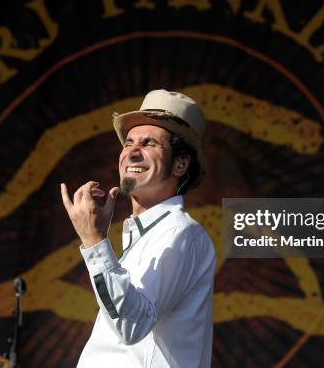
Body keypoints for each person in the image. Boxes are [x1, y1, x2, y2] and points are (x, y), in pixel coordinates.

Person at [61, 89, 216, 367]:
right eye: (128, 142)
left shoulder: (181, 233)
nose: (132, 152)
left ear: (180, 163)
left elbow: (132, 326)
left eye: (149, 143)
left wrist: (95, 242)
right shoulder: (150, 233)